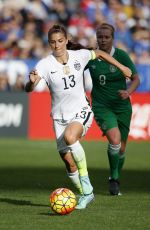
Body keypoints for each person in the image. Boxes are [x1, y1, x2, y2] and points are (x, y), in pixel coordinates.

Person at [25, 24, 132, 209]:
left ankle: (87, 187)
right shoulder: (44, 64)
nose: (57, 45)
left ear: (66, 40)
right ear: (49, 44)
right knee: (69, 164)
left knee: (70, 137)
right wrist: (31, 83)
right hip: (59, 117)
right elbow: (30, 88)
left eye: (60, 41)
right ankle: (85, 193)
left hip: (81, 110)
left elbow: (99, 53)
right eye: (53, 42)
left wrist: (121, 67)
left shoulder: (79, 56)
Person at [85, 23, 140, 195]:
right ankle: (114, 180)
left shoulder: (121, 56)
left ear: (112, 38)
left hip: (122, 106)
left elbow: (136, 78)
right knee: (114, 140)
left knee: (122, 148)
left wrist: (128, 91)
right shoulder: (90, 56)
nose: (103, 40)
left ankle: (114, 175)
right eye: (100, 36)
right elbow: (75, 72)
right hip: (101, 106)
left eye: (106, 37)